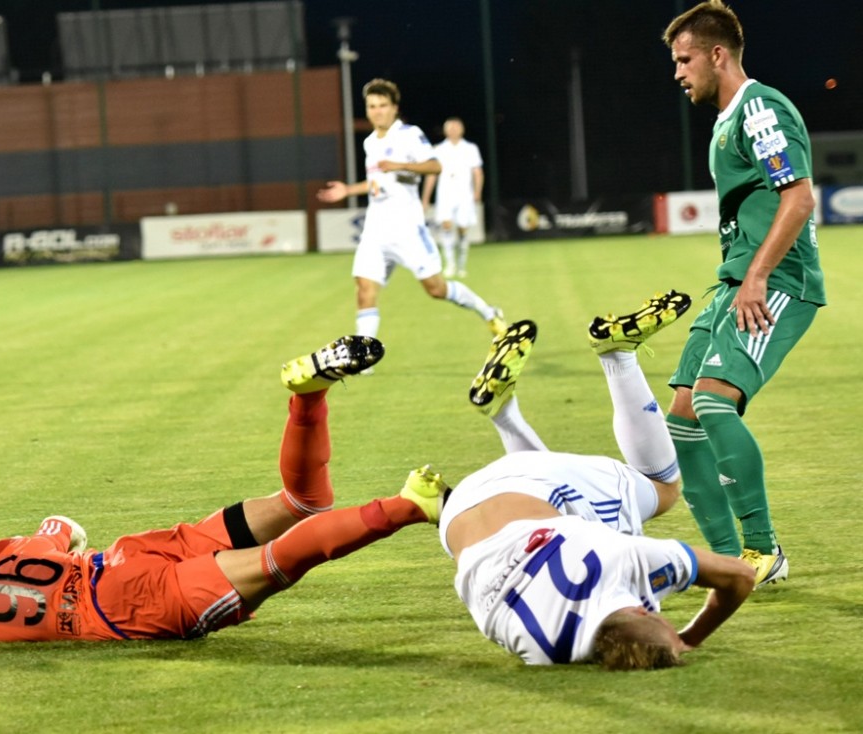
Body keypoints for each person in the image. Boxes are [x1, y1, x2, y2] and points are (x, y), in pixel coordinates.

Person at [0, 336, 451, 642]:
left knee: (275, 562)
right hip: (126, 555)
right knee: (302, 503)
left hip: (126, 605)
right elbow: (61, 527)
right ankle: (308, 397)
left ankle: (409, 505)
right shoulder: (10, 547)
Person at [437, 291, 755, 669]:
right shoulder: (541, 652)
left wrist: (689, 638)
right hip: (457, 514)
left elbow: (740, 577)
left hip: (531, 487)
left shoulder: (627, 561)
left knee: (662, 488)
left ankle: (617, 355)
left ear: (641, 612)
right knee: (560, 515)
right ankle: (504, 414)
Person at [661, 1, 826, 588]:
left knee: (712, 401)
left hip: (777, 281)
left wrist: (756, 276)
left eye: (684, 60)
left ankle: (764, 549)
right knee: (682, 420)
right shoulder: (726, 121)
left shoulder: (759, 109)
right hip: (735, 280)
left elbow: (799, 197)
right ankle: (729, 563)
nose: (678, 73)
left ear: (717, 54)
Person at [317, 79, 505, 342]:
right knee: (364, 289)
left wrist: (400, 165)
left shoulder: (409, 134)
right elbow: (377, 182)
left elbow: (435, 166)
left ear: (394, 108)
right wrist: (348, 190)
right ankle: (363, 354)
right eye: (372, 106)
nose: (377, 111)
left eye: (383, 105)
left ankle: (488, 312)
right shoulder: (370, 142)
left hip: (406, 229)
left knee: (436, 289)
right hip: (375, 230)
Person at [421, 117, 484, 278]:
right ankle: (450, 264)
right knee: (446, 226)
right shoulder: (438, 149)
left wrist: (477, 191)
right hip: (445, 194)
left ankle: (462, 264)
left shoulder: (470, 148)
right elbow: (431, 175)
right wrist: (426, 198)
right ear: (445, 130)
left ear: (462, 130)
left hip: (464, 194)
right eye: (450, 127)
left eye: (456, 127)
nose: (453, 130)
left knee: (463, 228)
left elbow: (477, 172)